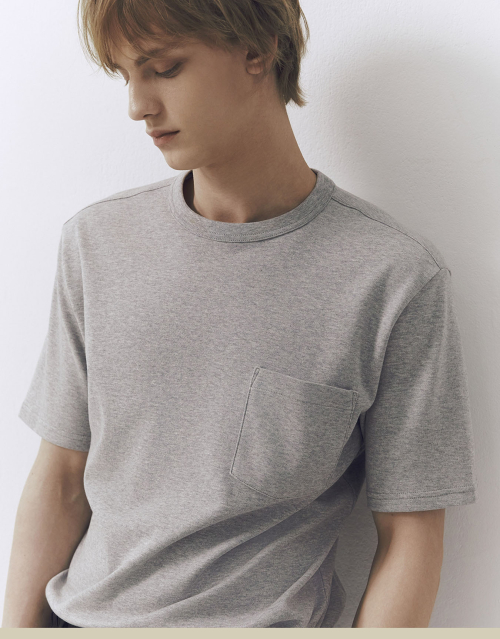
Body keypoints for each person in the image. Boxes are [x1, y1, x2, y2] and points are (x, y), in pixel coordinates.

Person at [2, 0, 478, 629]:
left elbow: (412, 531)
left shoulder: (393, 278)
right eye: (125, 75)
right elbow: (61, 479)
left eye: (164, 68)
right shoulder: (97, 244)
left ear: (258, 50)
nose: (137, 105)